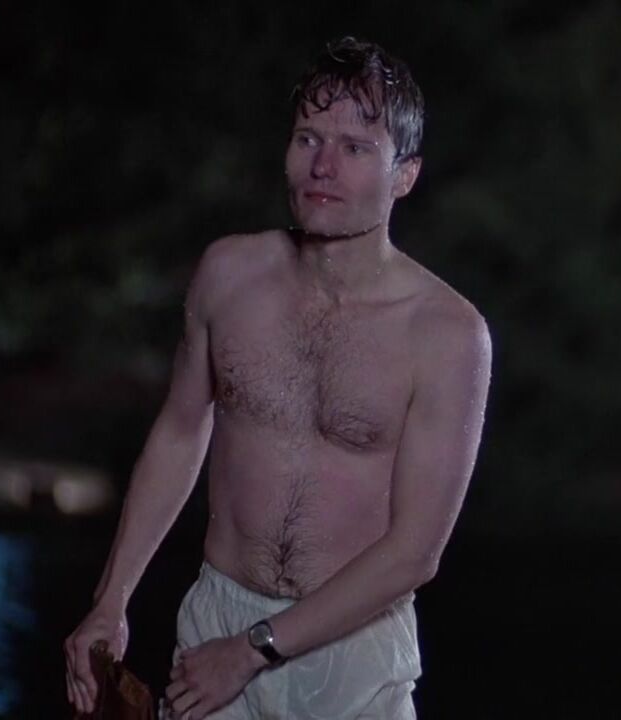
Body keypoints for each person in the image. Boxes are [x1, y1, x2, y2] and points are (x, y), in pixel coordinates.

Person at [64, 36, 492, 720]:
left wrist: (254, 649)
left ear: (405, 174)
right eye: (308, 138)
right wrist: (110, 600)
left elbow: (415, 553)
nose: (323, 165)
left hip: (353, 654)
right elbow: (180, 431)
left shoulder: (448, 333)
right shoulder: (228, 275)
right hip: (216, 627)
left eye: (355, 148)